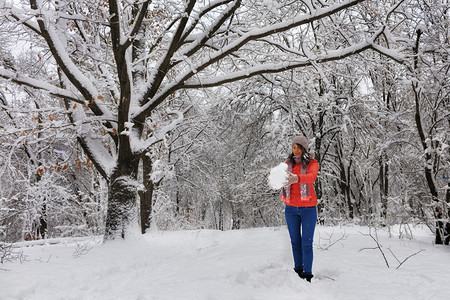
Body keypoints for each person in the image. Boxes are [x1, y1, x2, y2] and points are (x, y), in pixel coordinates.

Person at [281, 135, 319, 282]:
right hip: (291, 209)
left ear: (304, 148)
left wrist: (297, 178)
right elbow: (281, 178)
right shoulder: (287, 164)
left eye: (299, 147)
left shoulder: (312, 163)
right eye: (294, 147)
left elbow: (312, 177)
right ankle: (298, 271)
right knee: (295, 242)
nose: (296, 150)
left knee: (306, 243)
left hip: (308, 209)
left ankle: (307, 274)